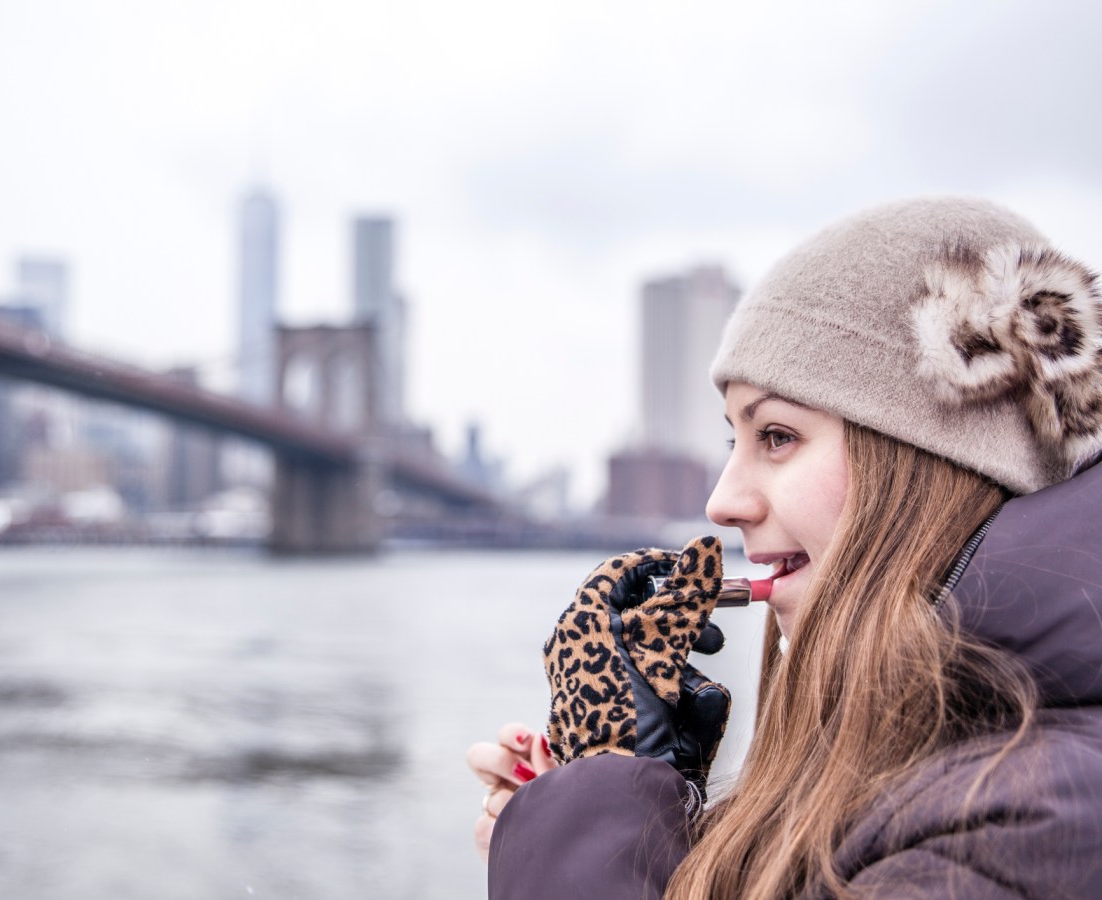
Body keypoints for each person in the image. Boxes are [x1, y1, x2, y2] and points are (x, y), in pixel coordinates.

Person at [466, 197, 1102, 898]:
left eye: (776, 436)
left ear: (927, 465)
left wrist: (586, 818)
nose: (721, 502)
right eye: (732, 440)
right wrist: (627, 805)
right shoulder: (928, 769)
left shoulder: (1030, 821)